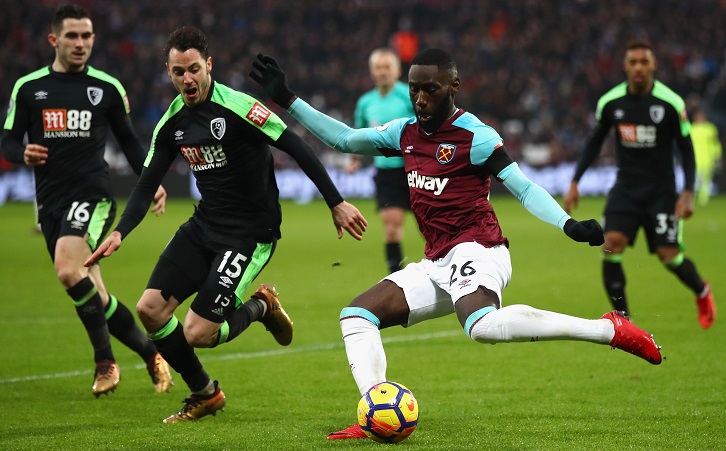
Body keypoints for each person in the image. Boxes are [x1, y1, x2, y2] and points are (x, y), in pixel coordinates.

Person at [249, 48, 663, 440]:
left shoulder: (475, 135)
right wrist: (287, 97)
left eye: (430, 88)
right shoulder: (403, 132)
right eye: (414, 88)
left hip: (480, 248)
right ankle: (376, 411)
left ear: (453, 87)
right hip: (437, 261)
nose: (420, 97)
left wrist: (568, 224)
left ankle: (605, 329)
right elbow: (342, 139)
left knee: (481, 326)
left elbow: (522, 187)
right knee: (355, 316)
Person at [85, 26, 368, 423]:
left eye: (194, 69)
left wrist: (335, 201)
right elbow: (147, 183)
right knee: (149, 310)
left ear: (209, 66)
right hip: (204, 226)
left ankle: (261, 305)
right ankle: (205, 393)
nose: (187, 79)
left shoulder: (239, 107)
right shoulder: (172, 123)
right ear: (169, 72)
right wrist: (118, 232)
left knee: (198, 333)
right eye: (178, 72)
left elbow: (295, 144)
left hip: (250, 235)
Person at [1, 4, 172, 397]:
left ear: (94, 39)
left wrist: (152, 179)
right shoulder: (29, 88)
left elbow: (129, 142)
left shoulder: (107, 88)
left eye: (86, 37)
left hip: (93, 196)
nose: (80, 44)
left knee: (66, 268)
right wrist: (21, 152)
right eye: (72, 36)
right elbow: (8, 140)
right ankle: (152, 354)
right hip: (49, 203)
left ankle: (105, 363)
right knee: (95, 294)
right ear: (54, 40)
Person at [563, 39, 716, 329]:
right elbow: (594, 143)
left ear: (653, 65)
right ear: (625, 66)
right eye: (633, 62)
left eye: (644, 62)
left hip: (661, 190)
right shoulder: (610, 103)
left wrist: (687, 193)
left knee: (669, 256)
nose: (638, 68)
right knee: (610, 245)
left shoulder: (670, 103)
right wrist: (574, 181)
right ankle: (625, 320)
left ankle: (702, 291)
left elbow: (686, 149)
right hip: (626, 188)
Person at [346, 48, 416, 274]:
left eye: (387, 67)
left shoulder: (409, 95)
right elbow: (359, 133)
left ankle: (445, 267)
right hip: (387, 174)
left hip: (415, 170)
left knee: (431, 226)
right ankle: (397, 279)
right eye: (378, 67)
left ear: (397, 71)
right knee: (392, 230)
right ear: (372, 72)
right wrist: (355, 159)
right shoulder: (366, 102)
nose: (383, 72)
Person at [690, 109, 722, 206]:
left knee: (706, 179)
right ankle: (693, 196)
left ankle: (703, 199)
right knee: (694, 179)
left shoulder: (710, 129)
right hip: (695, 158)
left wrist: (717, 156)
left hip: (708, 158)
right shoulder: (692, 129)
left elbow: (715, 143)